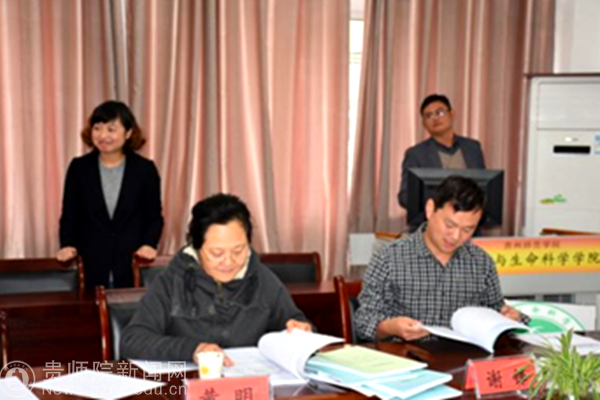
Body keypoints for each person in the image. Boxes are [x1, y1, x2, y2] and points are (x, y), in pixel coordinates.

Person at [120, 193, 311, 363]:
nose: (228, 261)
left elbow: (296, 323)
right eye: (216, 253)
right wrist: (192, 350)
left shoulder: (262, 279)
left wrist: (300, 331)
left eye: (239, 250)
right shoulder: (172, 281)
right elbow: (133, 340)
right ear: (196, 247)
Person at [356, 176, 526, 342]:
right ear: (430, 209)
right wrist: (390, 327)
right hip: (406, 355)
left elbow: (496, 311)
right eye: (449, 225)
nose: (456, 236)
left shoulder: (481, 262)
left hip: (463, 356)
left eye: (467, 230)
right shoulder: (389, 258)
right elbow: (363, 322)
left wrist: (510, 318)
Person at [57, 100, 163, 288]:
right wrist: (67, 244)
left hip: (132, 263)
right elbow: (70, 214)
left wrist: (149, 244)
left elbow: (153, 216)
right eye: (97, 128)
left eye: (111, 129)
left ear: (128, 133)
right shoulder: (79, 168)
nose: (103, 135)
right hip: (90, 263)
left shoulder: (145, 170)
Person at [398, 94, 486, 226]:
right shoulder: (416, 154)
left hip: (469, 226)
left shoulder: (473, 148)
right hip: (432, 227)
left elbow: (484, 187)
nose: (435, 118)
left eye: (439, 112)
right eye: (428, 116)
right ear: (424, 123)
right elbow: (405, 197)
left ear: (451, 114)